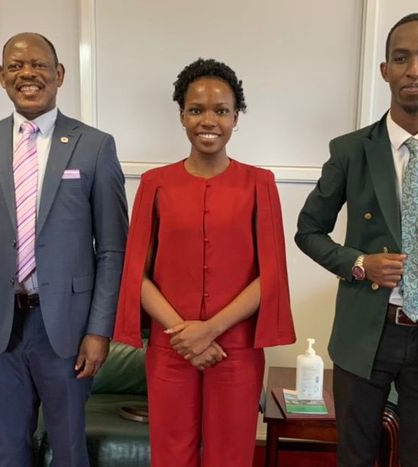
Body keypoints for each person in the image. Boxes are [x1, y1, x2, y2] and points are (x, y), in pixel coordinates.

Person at [295, 13, 418, 467]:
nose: (414, 70)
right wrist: (359, 262)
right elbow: (308, 230)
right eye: (401, 59)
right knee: (355, 456)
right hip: (368, 329)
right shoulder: (350, 150)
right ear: (385, 70)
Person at [0, 32, 128, 467]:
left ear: (59, 74)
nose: (27, 74)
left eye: (39, 65)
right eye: (16, 66)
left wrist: (99, 331)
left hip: (65, 328)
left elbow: (113, 250)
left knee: (69, 449)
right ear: (1, 76)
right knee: (9, 451)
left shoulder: (95, 145)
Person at [113, 58, 295, 467]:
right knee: (170, 455)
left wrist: (209, 330)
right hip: (171, 346)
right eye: (196, 110)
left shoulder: (259, 183)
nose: (208, 121)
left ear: (236, 118)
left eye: (221, 110)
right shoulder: (155, 184)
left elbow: (271, 275)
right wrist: (185, 336)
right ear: (182, 115)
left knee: (231, 456)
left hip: (237, 348)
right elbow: (136, 273)